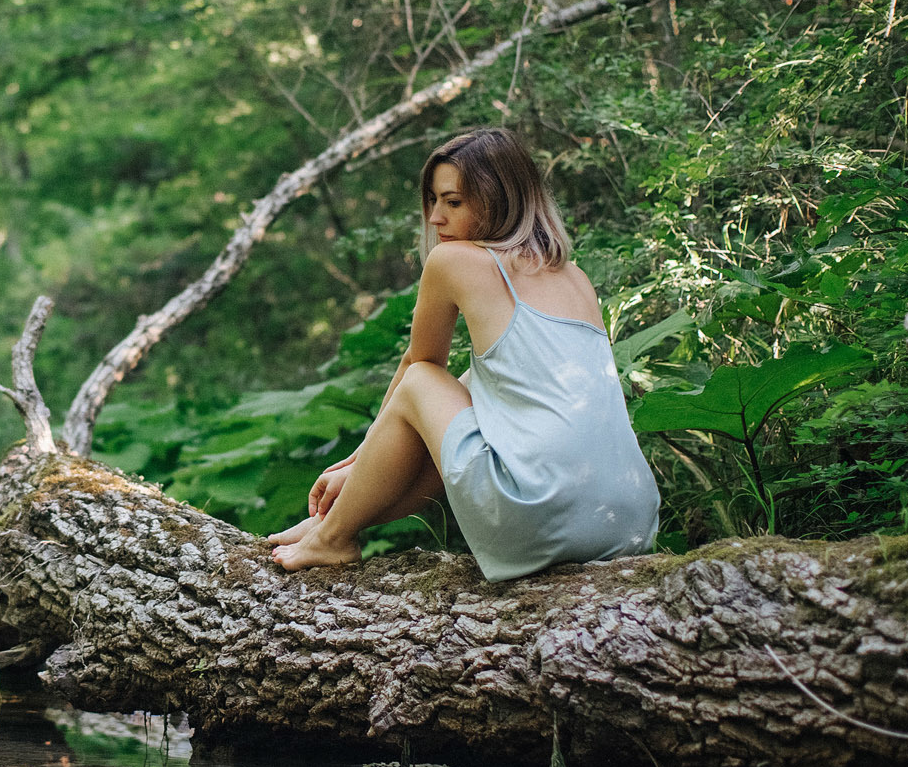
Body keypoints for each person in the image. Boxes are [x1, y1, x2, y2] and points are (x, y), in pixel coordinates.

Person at [267, 127, 659, 580]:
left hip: (540, 517)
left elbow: (418, 364)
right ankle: (331, 523)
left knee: (422, 381)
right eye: (433, 201)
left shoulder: (454, 260)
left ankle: (334, 537)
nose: (436, 218)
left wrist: (358, 459)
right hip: (631, 523)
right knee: (474, 392)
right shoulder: (575, 276)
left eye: (453, 202)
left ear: (499, 200)